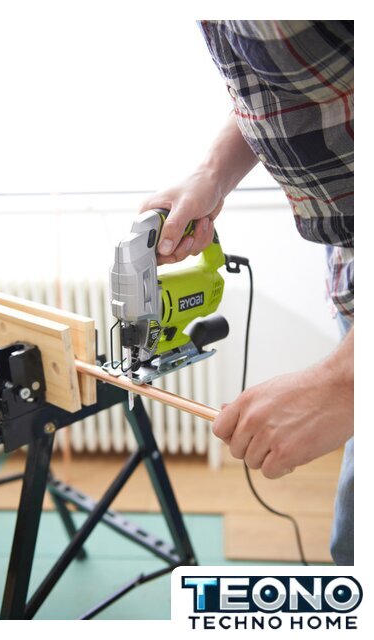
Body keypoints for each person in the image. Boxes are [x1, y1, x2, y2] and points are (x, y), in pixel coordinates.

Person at [140, 21, 354, 565]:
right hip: (352, 268)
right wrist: (212, 174)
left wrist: (347, 381)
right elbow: (292, 91)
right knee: (354, 537)